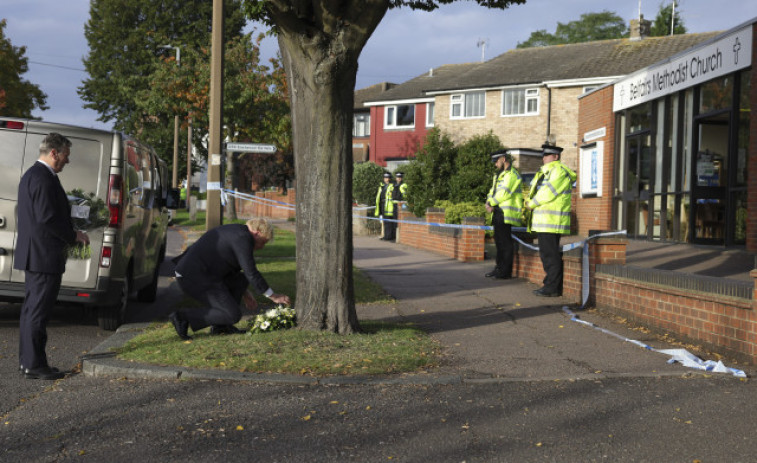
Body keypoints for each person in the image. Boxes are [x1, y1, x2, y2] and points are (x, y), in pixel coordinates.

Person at [15, 133, 90, 380]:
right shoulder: (44, 178)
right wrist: (74, 236)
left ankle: (29, 362)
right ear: (54, 153)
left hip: (34, 254)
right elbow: (47, 219)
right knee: (37, 312)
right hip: (44, 256)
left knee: (31, 311)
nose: (67, 161)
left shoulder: (32, 175)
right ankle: (35, 365)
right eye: (66, 155)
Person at [168, 218, 291, 340]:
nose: (262, 247)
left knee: (241, 279)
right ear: (257, 232)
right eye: (263, 242)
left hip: (202, 274)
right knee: (232, 315)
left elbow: (234, 270)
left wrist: (245, 293)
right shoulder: (243, 238)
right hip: (194, 277)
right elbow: (251, 272)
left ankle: (221, 327)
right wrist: (274, 296)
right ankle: (183, 317)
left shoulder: (236, 232)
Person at [525, 144, 576, 297]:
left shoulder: (558, 171)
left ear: (556, 157)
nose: (544, 158)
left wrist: (531, 204)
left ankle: (552, 288)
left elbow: (548, 193)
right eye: (543, 155)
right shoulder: (545, 172)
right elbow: (535, 191)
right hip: (544, 220)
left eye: (547, 155)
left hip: (552, 220)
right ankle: (550, 285)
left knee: (550, 255)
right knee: (546, 254)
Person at [485, 150, 522, 280]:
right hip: (497, 211)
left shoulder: (512, 174)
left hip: (506, 213)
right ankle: (499, 268)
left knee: (505, 243)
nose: (495, 164)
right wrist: (488, 202)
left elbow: (504, 193)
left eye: (496, 161)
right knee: (499, 242)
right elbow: (493, 191)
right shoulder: (499, 175)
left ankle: (505, 272)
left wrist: (491, 203)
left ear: (503, 159)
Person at [374, 172, 397, 241]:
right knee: (385, 222)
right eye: (385, 178)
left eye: (388, 178)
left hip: (389, 206)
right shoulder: (382, 186)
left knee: (389, 222)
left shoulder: (392, 186)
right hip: (382, 205)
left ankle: (389, 236)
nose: (387, 179)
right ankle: (386, 236)